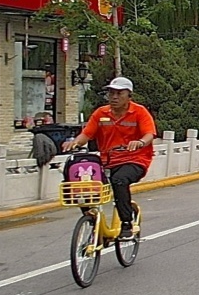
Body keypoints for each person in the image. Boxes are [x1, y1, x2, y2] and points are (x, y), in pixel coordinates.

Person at [61, 76, 155, 240]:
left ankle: (126, 223)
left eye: (119, 93)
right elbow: (87, 134)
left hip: (135, 160)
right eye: (111, 93)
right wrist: (75, 142)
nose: (114, 97)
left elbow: (149, 134)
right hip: (107, 161)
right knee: (77, 179)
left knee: (119, 180)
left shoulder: (139, 112)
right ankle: (89, 214)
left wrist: (140, 142)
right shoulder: (101, 113)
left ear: (129, 95)